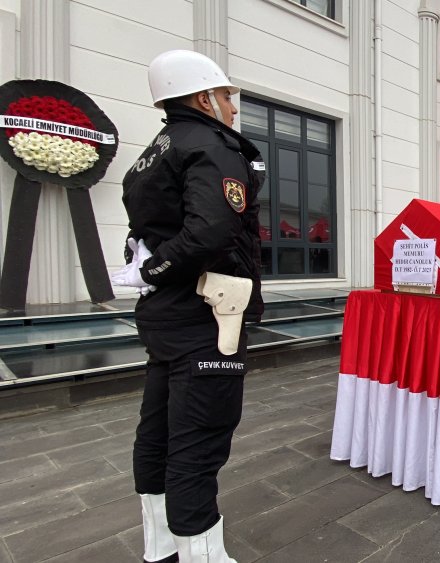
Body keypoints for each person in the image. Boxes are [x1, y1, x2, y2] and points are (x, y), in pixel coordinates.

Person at [112, 49, 264, 563]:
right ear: (204, 97)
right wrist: (155, 270)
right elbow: (213, 230)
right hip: (208, 318)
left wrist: (150, 270)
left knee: (156, 436)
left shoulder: (155, 150)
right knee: (198, 448)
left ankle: (162, 552)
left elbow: (150, 233)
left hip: (167, 318)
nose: (233, 108)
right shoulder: (213, 144)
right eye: (227, 96)